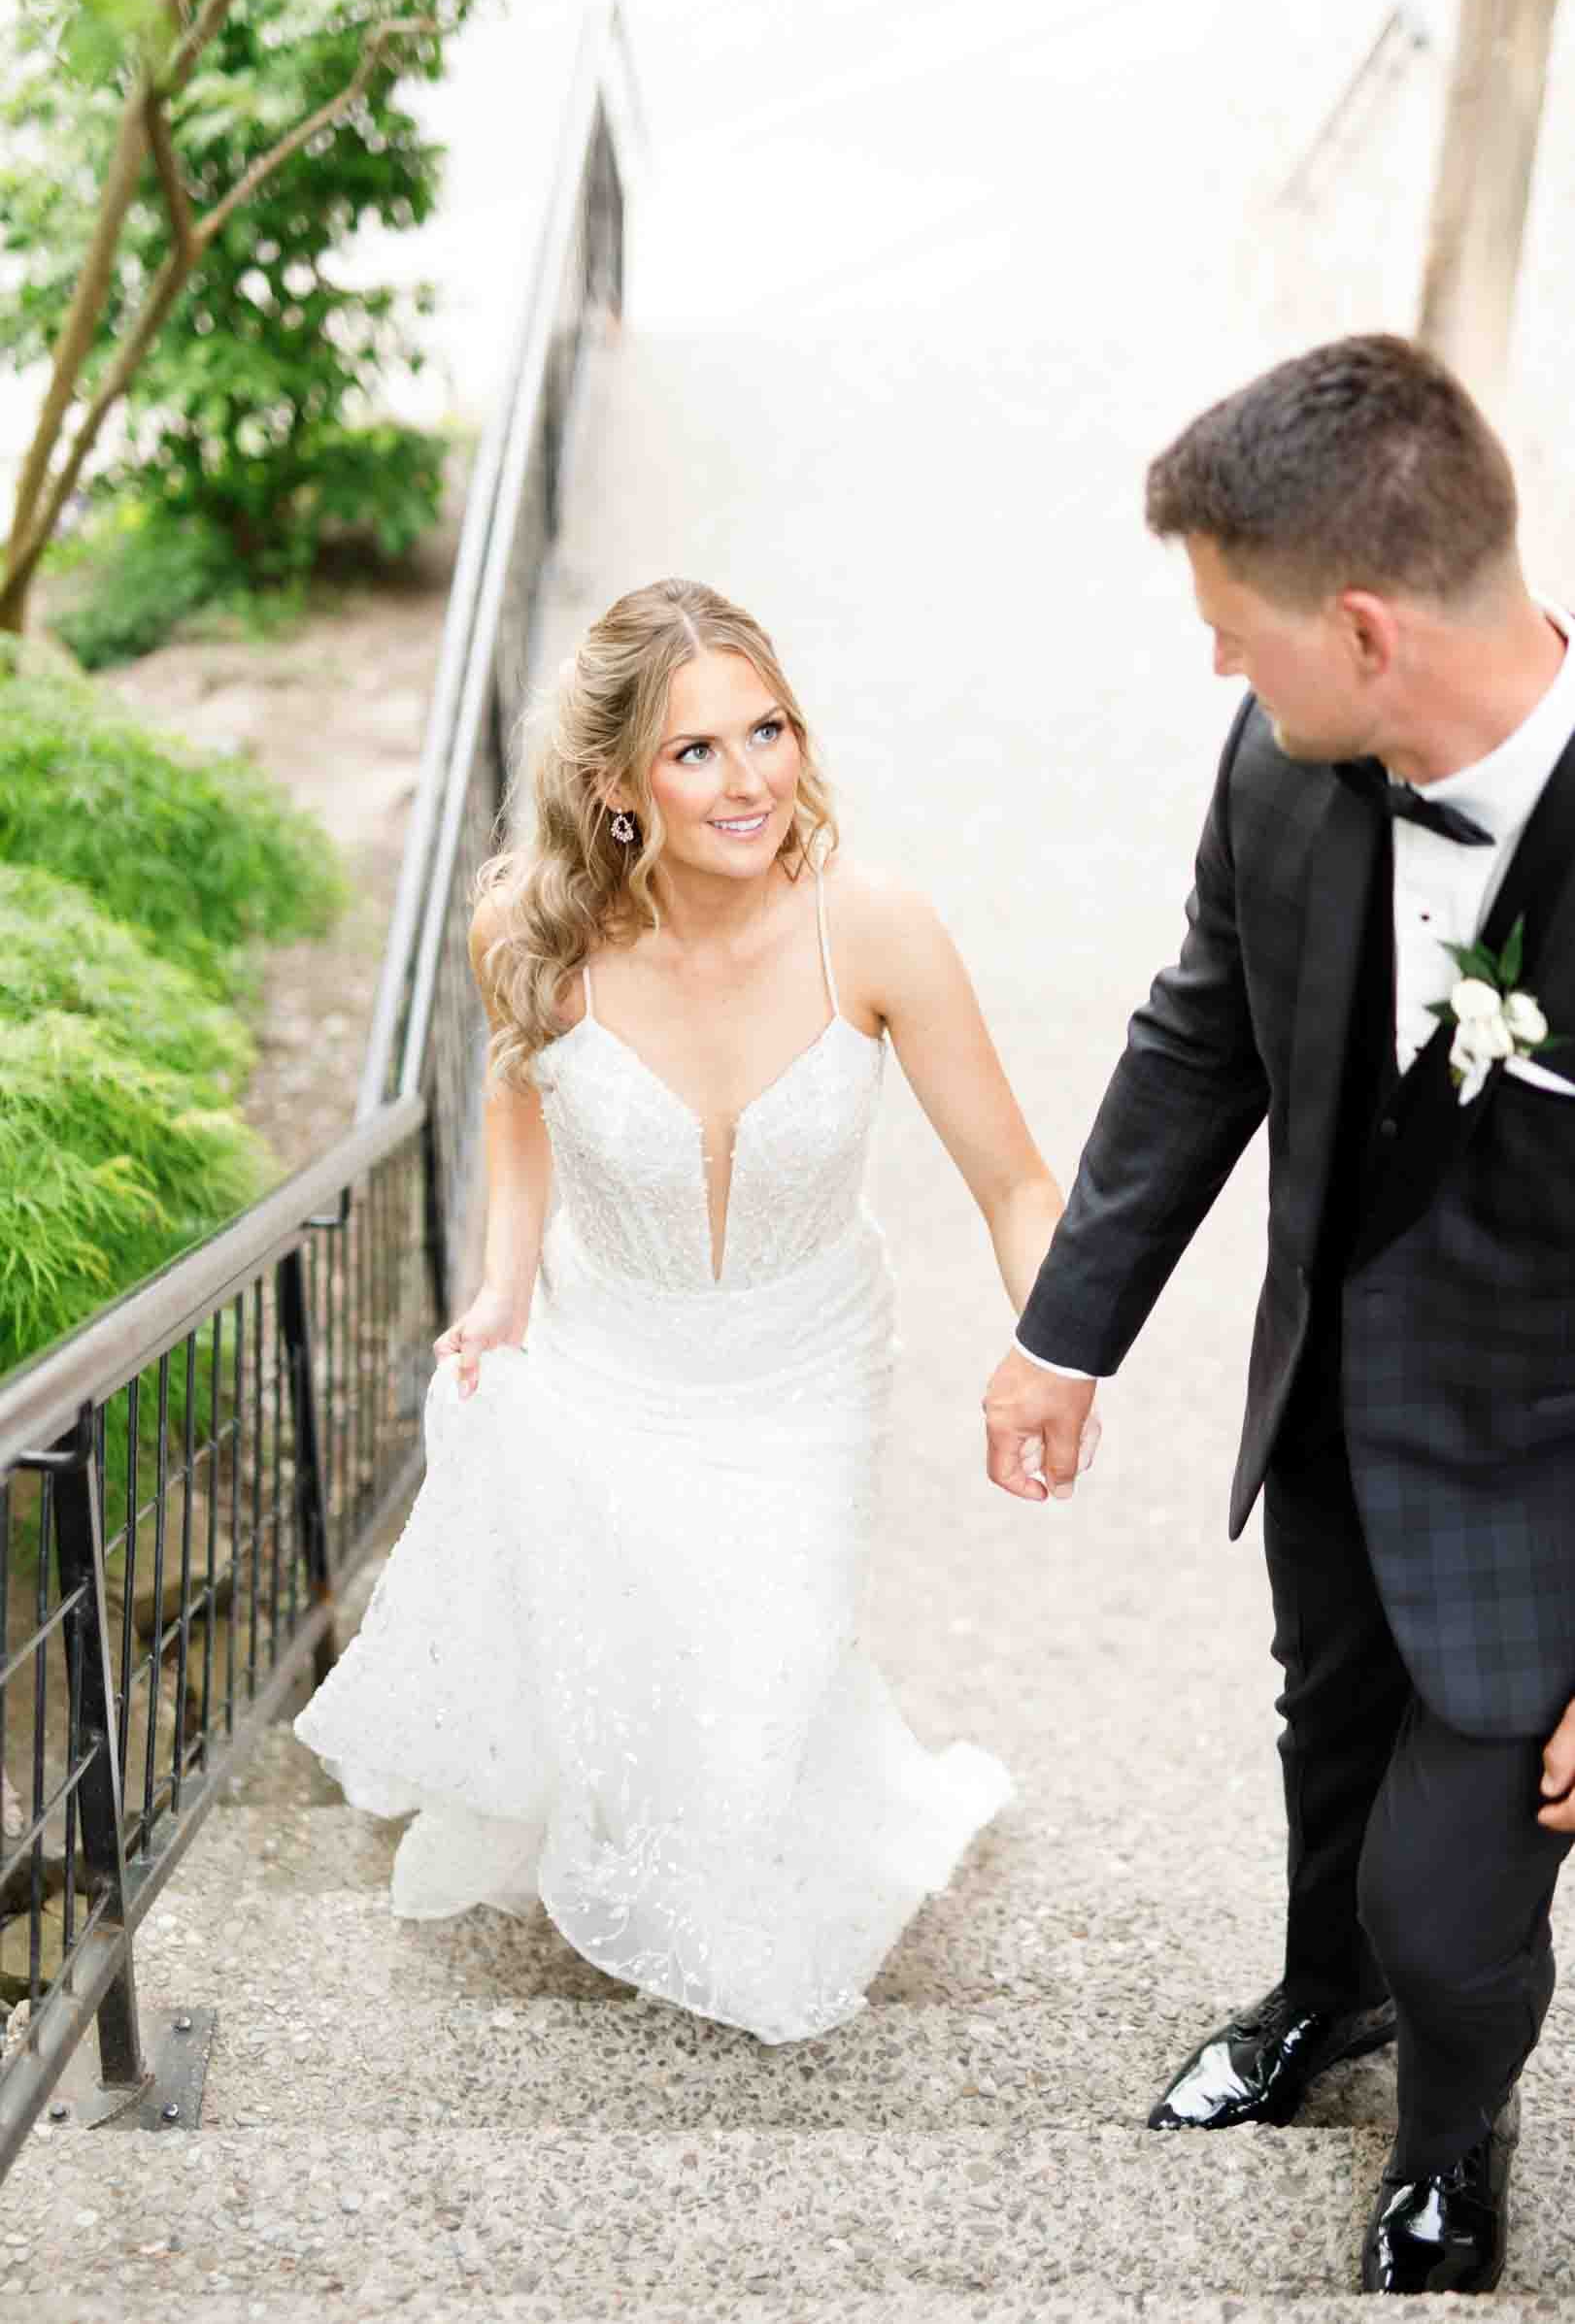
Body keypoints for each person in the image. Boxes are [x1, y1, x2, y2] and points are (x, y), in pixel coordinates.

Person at [982, 334, 1575, 2296]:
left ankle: (1449, 2134)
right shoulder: (1282, 764)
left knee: (1450, 1897)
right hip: (1331, 1389)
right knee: (1325, 1734)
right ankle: (1326, 1994)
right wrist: (1066, 1332)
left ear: (1367, 628)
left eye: (1235, 631)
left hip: (1546, 1476)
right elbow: (1198, 1040)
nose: (1219, 668)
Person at [298, 576, 1084, 2043]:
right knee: (648, 1665)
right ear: (615, 787)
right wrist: (502, 1291)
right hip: (614, 1353)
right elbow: (519, 1115)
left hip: (806, 1367)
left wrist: (1060, 1350)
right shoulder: (526, 931)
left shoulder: (875, 930)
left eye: (767, 731)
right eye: (696, 751)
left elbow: (1015, 1182)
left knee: (757, 1677)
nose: (750, 783)